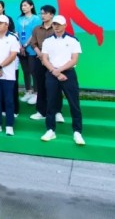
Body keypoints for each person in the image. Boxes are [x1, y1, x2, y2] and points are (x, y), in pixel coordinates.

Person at [40, 15, 86, 146]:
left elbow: (74, 60)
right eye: (54, 24)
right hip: (52, 73)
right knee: (51, 102)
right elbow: (44, 59)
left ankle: (77, 132)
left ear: (65, 25)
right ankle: (50, 130)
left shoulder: (73, 40)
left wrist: (59, 70)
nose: (57, 27)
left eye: (59, 24)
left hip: (68, 73)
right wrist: (55, 71)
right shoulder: (48, 41)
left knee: (74, 103)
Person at [28, 5, 65, 123]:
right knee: (41, 86)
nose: (42, 15)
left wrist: (47, 57)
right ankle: (41, 111)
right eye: (41, 13)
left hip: (53, 62)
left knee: (56, 87)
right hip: (39, 60)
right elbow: (33, 43)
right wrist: (40, 54)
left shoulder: (56, 29)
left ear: (52, 15)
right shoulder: (37, 29)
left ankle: (57, 112)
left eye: (45, 13)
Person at [18, 0, 42, 103]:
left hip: (31, 48)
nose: (23, 7)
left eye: (26, 5)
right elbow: (17, 33)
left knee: (33, 71)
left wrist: (25, 45)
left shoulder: (36, 19)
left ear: (31, 6)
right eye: (22, 6)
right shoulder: (19, 19)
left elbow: (34, 33)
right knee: (26, 71)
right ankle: (28, 91)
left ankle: (36, 93)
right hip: (21, 49)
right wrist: (20, 45)